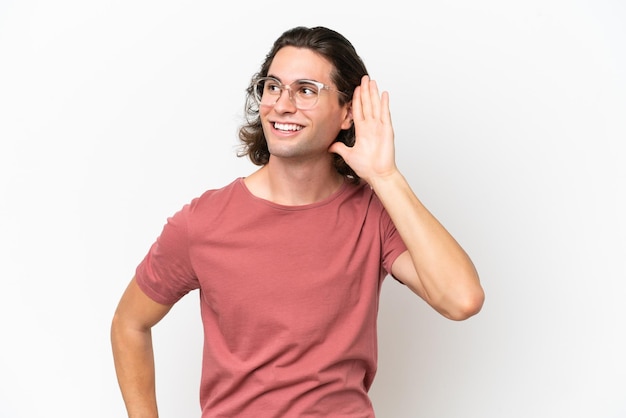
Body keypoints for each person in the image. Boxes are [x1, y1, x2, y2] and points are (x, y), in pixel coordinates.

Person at [110, 25, 484, 418]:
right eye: (273, 86)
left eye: (306, 90)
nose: (282, 104)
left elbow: (461, 299)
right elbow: (129, 324)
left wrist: (386, 178)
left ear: (346, 113)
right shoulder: (202, 222)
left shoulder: (374, 216)